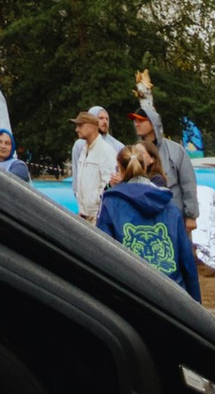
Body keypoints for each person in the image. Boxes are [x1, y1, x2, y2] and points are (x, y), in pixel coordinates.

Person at [97, 137, 201, 297]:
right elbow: (186, 259)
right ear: (143, 166)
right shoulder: (169, 203)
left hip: (129, 293)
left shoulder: (111, 203)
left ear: (120, 168)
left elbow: (102, 255)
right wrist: (196, 305)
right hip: (172, 295)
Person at [131, 71, 196, 211]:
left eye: (141, 121)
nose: (136, 124)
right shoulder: (133, 151)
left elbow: (188, 183)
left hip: (174, 213)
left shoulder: (175, 150)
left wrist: (191, 215)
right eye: (135, 121)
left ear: (153, 123)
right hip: (145, 217)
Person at [69, 106, 120, 223]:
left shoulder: (106, 151)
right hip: (84, 216)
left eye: (80, 125)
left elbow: (110, 185)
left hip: (98, 217)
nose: (77, 129)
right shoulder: (84, 149)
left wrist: (95, 204)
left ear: (92, 126)